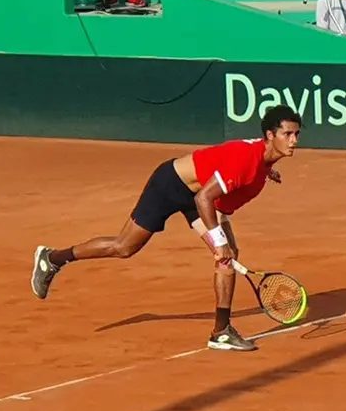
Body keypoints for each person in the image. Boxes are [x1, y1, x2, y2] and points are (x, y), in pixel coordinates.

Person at [30, 106, 303, 352]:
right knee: (124, 247)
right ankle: (53, 258)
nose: (294, 141)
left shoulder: (261, 160)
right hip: (171, 186)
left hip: (198, 192)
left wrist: (265, 172)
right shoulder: (247, 160)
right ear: (270, 135)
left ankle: (221, 332)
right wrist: (218, 241)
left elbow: (229, 172)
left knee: (228, 258)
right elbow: (204, 199)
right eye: (288, 134)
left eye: (296, 134)